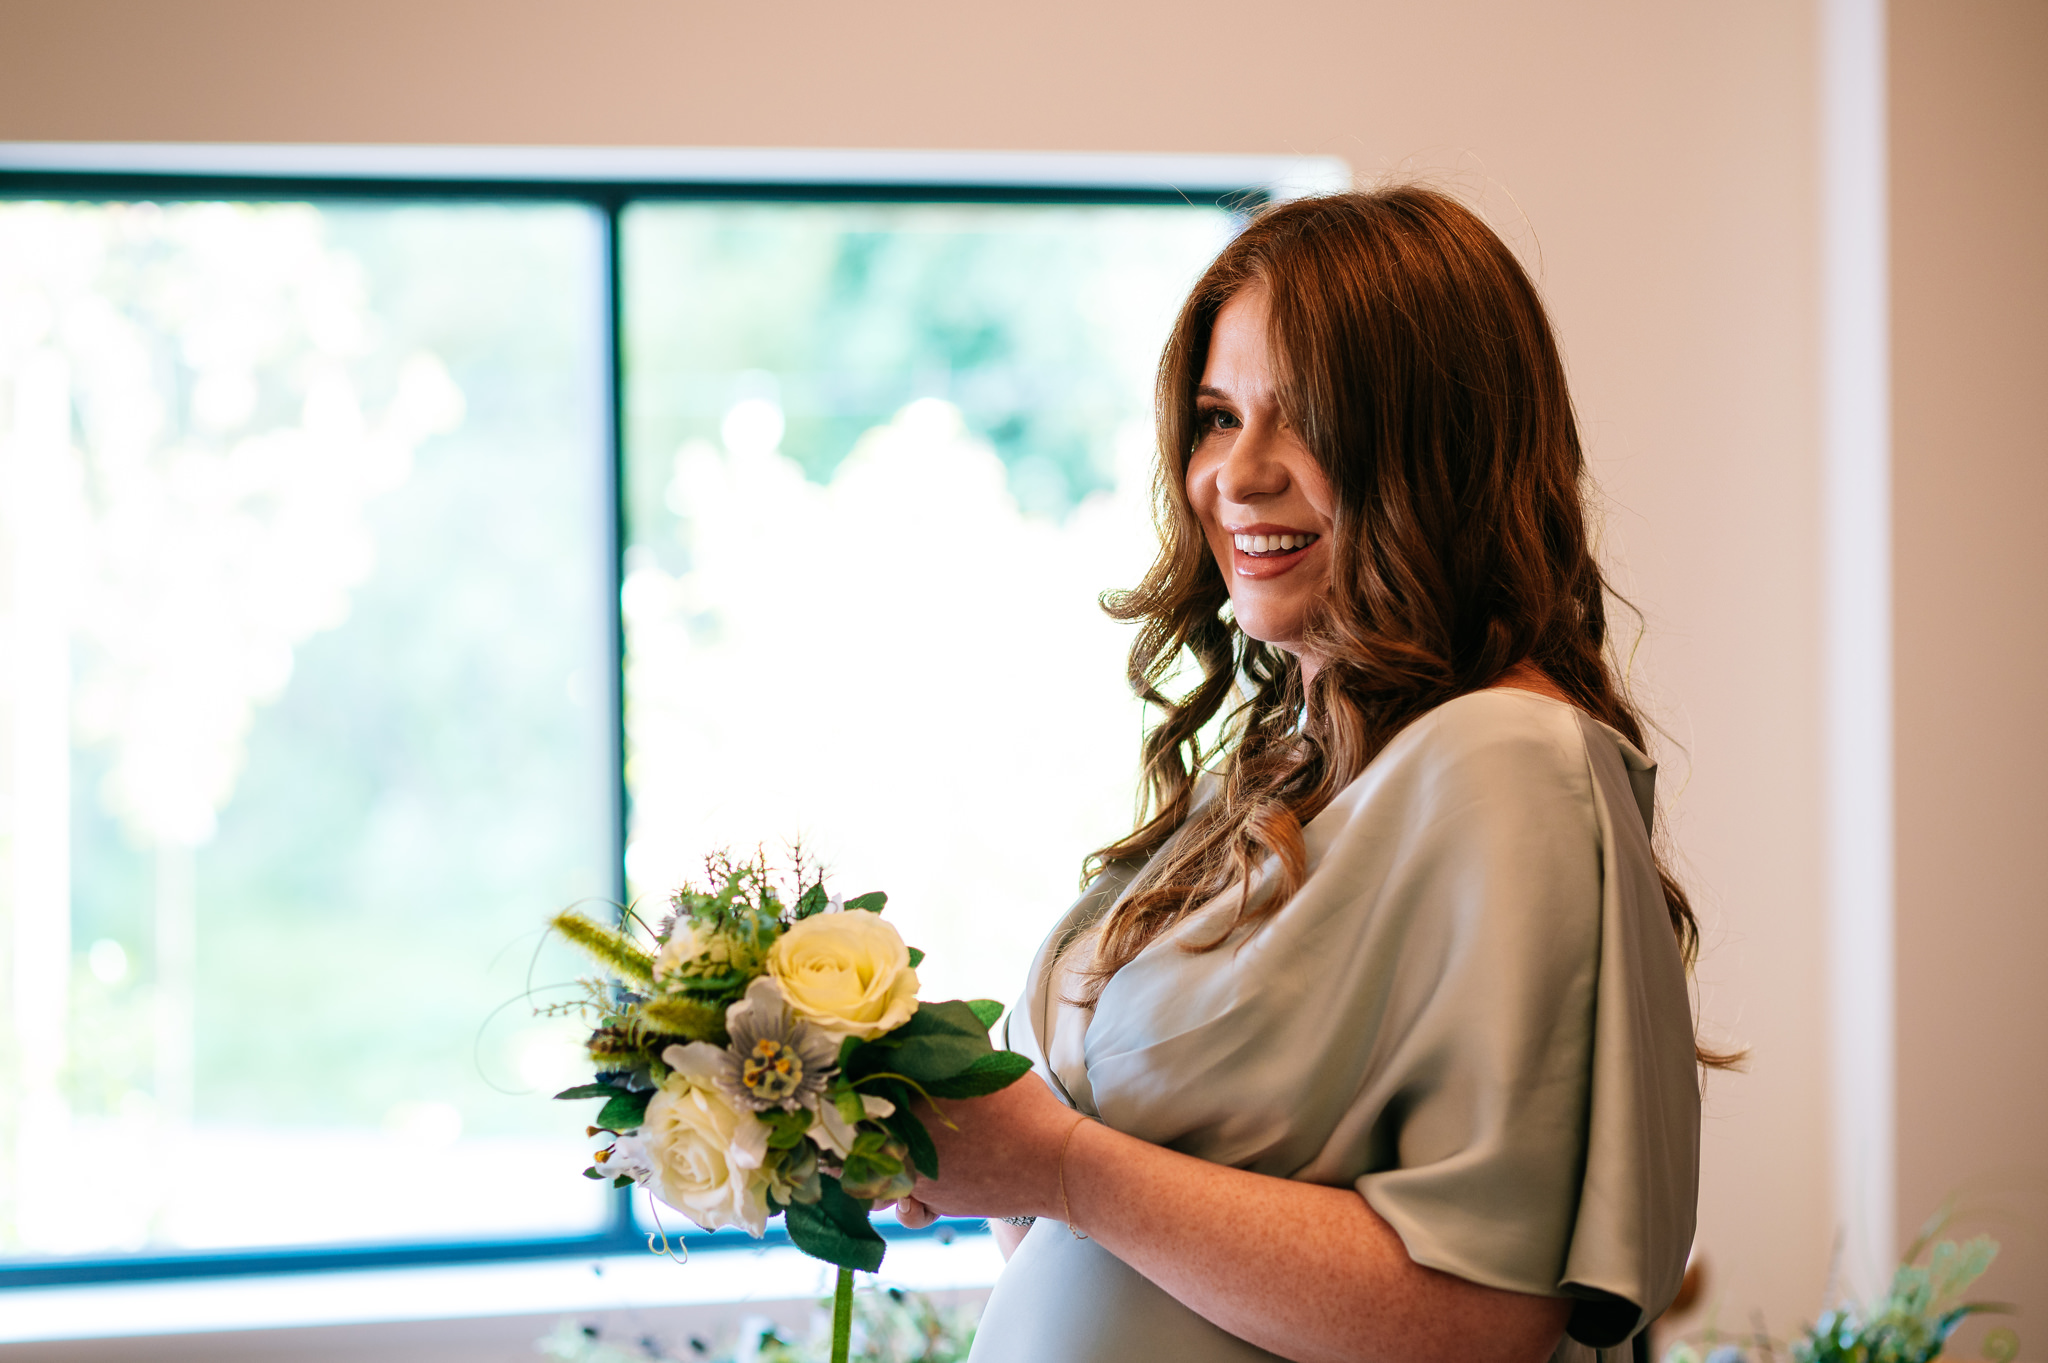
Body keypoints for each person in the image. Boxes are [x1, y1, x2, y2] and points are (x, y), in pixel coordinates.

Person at [889, 187, 1715, 1363]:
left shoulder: (1511, 763)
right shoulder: (1282, 774)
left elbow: (1484, 1313)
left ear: (1440, 447)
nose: (1238, 474)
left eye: (1306, 421)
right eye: (1217, 416)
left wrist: (1061, 1166)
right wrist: (984, 1157)